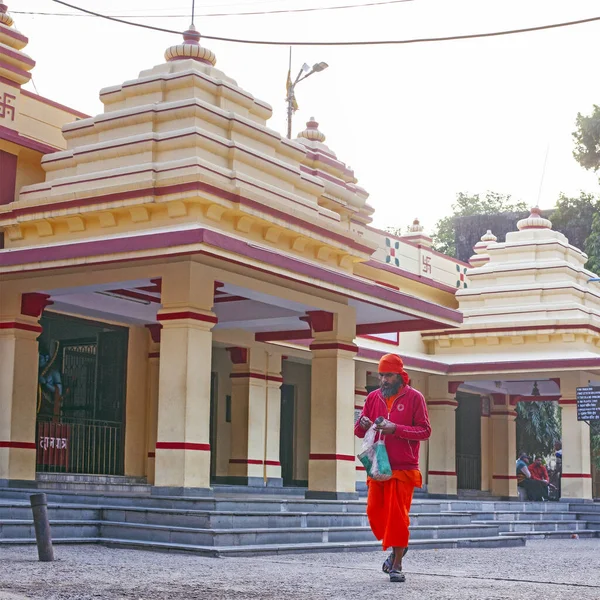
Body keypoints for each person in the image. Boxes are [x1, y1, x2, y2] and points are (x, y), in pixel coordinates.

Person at [354, 353, 431, 583]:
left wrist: (395, 428)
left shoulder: (415, 398)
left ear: (399, 375)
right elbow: (359, 431)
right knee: (374, 512)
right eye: (381, 375)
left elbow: (425, 431)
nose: (384, 380)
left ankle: (396, 564)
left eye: (388, 375)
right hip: (378, 465)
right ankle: (399, 546)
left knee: (397, 517)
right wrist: (363, 424)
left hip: (403, 468)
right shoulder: (373, 398)